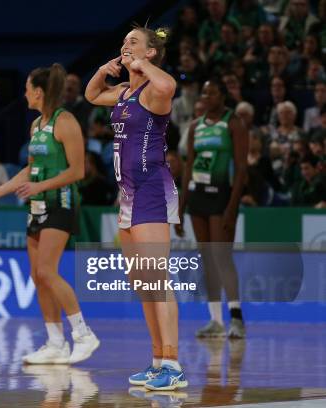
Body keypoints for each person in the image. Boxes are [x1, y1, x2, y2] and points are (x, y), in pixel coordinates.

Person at [0, 63, 100, 365]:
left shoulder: (66, 121)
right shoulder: (36, 126)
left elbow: (78, 171)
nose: (24, 94)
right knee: (37, 276)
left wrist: (40, 185)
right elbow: (30, 168)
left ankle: (84, 334)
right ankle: (55, 342)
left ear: (39, 92)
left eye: (27, 89)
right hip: (37, 204)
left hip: (61, 202)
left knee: (46, 271)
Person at [85, 25, 186, 391]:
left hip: (151, 192)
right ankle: (158, 358)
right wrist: (103, 70)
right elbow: (92, 95)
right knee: (142, 283)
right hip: (127, 196)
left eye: (134, 42)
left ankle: (173, 364)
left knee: (157, 280)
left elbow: (169, 87)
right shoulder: (125, 92)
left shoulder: (153, 92)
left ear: (151, 52)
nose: (125, 46)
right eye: (124, 42)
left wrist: (143, 64)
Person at [177, 78, 249, 339]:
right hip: (197, 197)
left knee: (221, 256)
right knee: (207, 260)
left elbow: (242, 169)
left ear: (223, 96)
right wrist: (180, 207)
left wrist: (232, 206)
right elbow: (188, 169)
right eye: (205, 93)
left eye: (212, 93)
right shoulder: (195, 126)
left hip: (221, 196)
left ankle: (237, 318)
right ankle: (216, 321)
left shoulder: (233, 123)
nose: (207, 97)